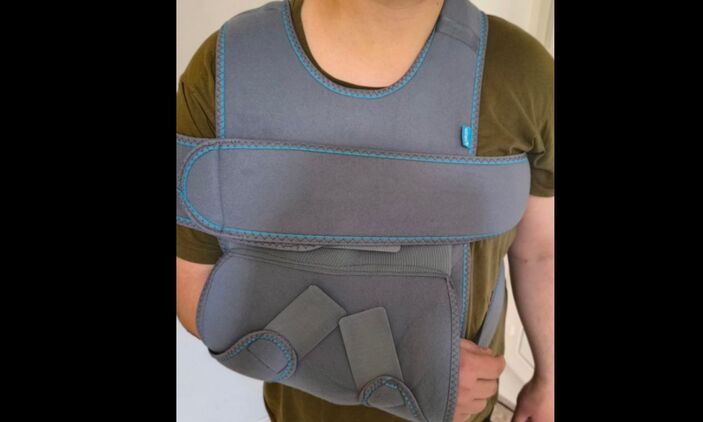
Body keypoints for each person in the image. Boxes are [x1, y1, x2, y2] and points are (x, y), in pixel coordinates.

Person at [176, 1, 553, 421]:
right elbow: (194, 287)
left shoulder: (524, 73)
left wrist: (550, 379)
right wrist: (416, 371)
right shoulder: (229, 64)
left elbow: (541, 251)